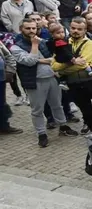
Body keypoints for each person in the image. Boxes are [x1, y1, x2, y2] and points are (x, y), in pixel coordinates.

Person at [10, 17, 79, 147]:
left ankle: (63, 126)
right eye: (28, 28)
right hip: (35, 82)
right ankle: (41, 134)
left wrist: (39, 59)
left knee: (57, 105)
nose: (31, 31)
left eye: (33, 28)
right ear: (21, 29)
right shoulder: (16, 47)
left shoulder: (43, 41)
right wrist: (35, 47)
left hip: (52, 77)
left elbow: (54, 58)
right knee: (37, 110)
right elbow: (29, 61)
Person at [51, 17, 92, 134]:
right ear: (69, 28)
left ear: (85, 30)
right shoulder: (61, 43)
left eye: (79, 29)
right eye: (73, 28)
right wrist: (73, 62)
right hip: (73, 83)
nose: (76, 31)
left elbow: (82, 64)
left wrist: (63, 70)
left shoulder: (90, 43)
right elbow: (54, 65)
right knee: (86, 112)